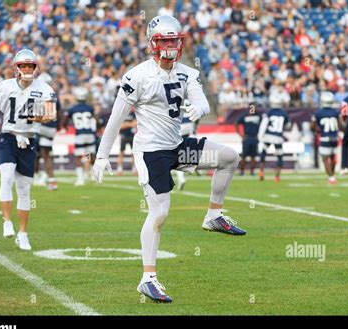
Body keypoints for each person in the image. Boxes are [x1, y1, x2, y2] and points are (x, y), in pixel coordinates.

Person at [93, 15, 246, 303]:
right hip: (152, 152)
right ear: (153, 43)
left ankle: (214, 215)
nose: (171, 45)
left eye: (175, 39)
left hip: (178, 145)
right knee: (160, 213)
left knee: (229, 156)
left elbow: (201, 99)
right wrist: (102, 156)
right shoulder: (137, 76)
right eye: (165, 40)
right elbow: (115, 120)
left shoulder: (187, 72)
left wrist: (199, 109)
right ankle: (148, 279)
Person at [0, 48, 56, 250]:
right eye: (23, 65)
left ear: (35, 68)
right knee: (6, 177)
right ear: (16, 68)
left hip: (30, 140)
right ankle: (7, 221)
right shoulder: (5, 86)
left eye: (30, 66)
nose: (26, 69)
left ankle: (23, 233)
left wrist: (40, 117)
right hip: (8, 136)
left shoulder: (44, 88)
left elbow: (51, 114)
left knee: (24, 190)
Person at [64, 86, 97, 186]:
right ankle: (94, 174)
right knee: (89, 154)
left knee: (79, 157)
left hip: (80, 135)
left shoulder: (72, 109)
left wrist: (65, 127)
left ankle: (80, 179)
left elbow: (66, 120)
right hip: (90, 134)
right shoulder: (90, 108)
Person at [33, 73, 61, 190]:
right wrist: (58, 126)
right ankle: (51, 180)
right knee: (46, 155)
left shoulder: (37, 94)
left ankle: (35, 177)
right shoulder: (53, 95)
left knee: (35, 154)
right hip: (51, 128)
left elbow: (36, 114)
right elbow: (59, 113)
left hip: (41, 127)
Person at [311, 92, 344, 184]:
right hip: (334, 138)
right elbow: (341, 125)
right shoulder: (336, 112)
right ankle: (332, 175)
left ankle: (331, 177)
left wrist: (317, 131)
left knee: (325, 159)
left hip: (324, 137)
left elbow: (312, 126)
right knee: (333, 157)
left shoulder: (318, 113)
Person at [257, 95, 290, 182]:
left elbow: (264, 124)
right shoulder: (284, 114)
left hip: (268, 136)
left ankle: (261, 171)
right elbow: (288, 125)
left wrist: (260, 136)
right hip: (278, 137)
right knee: (279, 156)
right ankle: (277, 176)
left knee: (263, 153)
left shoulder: (269, 112)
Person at [176, 100, 199, 190]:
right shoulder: (189, 100)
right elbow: (197, 115)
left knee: (177, 157)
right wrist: (195, 127)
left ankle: (181, 178)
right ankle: (195, 165)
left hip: (180, 127)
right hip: (189, 127)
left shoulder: (178, 97)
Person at [235, 102, 263, 176]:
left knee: (253, 156)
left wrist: (260, 135)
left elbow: (263, 124)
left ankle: (252, 171)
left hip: (254, 137)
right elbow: (236, 123)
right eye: (252, 107)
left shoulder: (259, 115)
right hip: (247, 137)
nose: (253, 108)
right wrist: (240, 134)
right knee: (244, 156)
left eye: (254, 107)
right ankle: (241, 171)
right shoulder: (245, 115)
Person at [117, 109, 137, 176]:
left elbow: (134, 124)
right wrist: (129, 124)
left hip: (132, 136)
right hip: (124, 136)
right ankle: (119, 169)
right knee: (121, 153)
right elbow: (120, 126)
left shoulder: (133, 114)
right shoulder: (122, 114)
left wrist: (126, 124)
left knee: (133, 153)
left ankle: (134, 169)